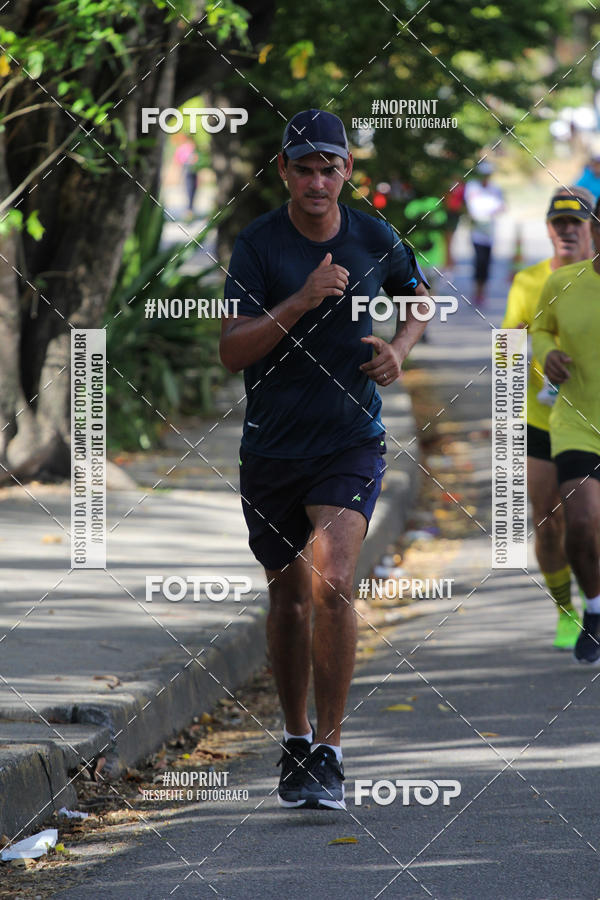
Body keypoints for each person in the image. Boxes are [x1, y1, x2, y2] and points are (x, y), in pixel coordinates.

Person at [220, 109, 430, 809]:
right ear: (283, 170)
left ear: (347, 170)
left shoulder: (374, 234)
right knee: (286, 596)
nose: (317, 180)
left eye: (329, 167)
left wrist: (399, 352)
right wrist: (302, 299)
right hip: (273, 448)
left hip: (351, 438)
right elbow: (232, 350)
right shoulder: (257, 245)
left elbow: (419, 300)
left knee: (333, 581)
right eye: (303, 167)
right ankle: (296, 738)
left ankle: (333, 751)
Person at [502, 187, 594, 649]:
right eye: (558, 224)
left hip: (587, 417)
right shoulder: (529, 281)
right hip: (541, 418)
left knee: (588, 520)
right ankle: (566, 611)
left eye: (574, 223)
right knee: (548, 519)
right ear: (547, 229)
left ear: (591, 228)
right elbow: (508, 347)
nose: (566, 232)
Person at [531, 194, 600, 664]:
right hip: (575, 422)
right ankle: (590, 609)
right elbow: (536, 329)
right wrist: (545, 356)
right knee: (578, 519)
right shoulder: (559, 282)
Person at [464, 161, 504, 305]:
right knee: (479, 261)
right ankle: (476, 292)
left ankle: (483, 292)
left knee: (487, 263)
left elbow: (502, 206)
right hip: (477, 232)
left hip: (490, 233)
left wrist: (492, 211)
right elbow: (470, 206)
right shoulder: (473, 187)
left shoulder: (496, 189)